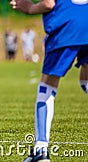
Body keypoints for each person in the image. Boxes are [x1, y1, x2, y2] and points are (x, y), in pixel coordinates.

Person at [10, 0, 88, 161]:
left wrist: (31, 8)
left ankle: (41, 150)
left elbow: (48, 3)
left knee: (47, 85)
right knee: (86, 79)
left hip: (68, 26)